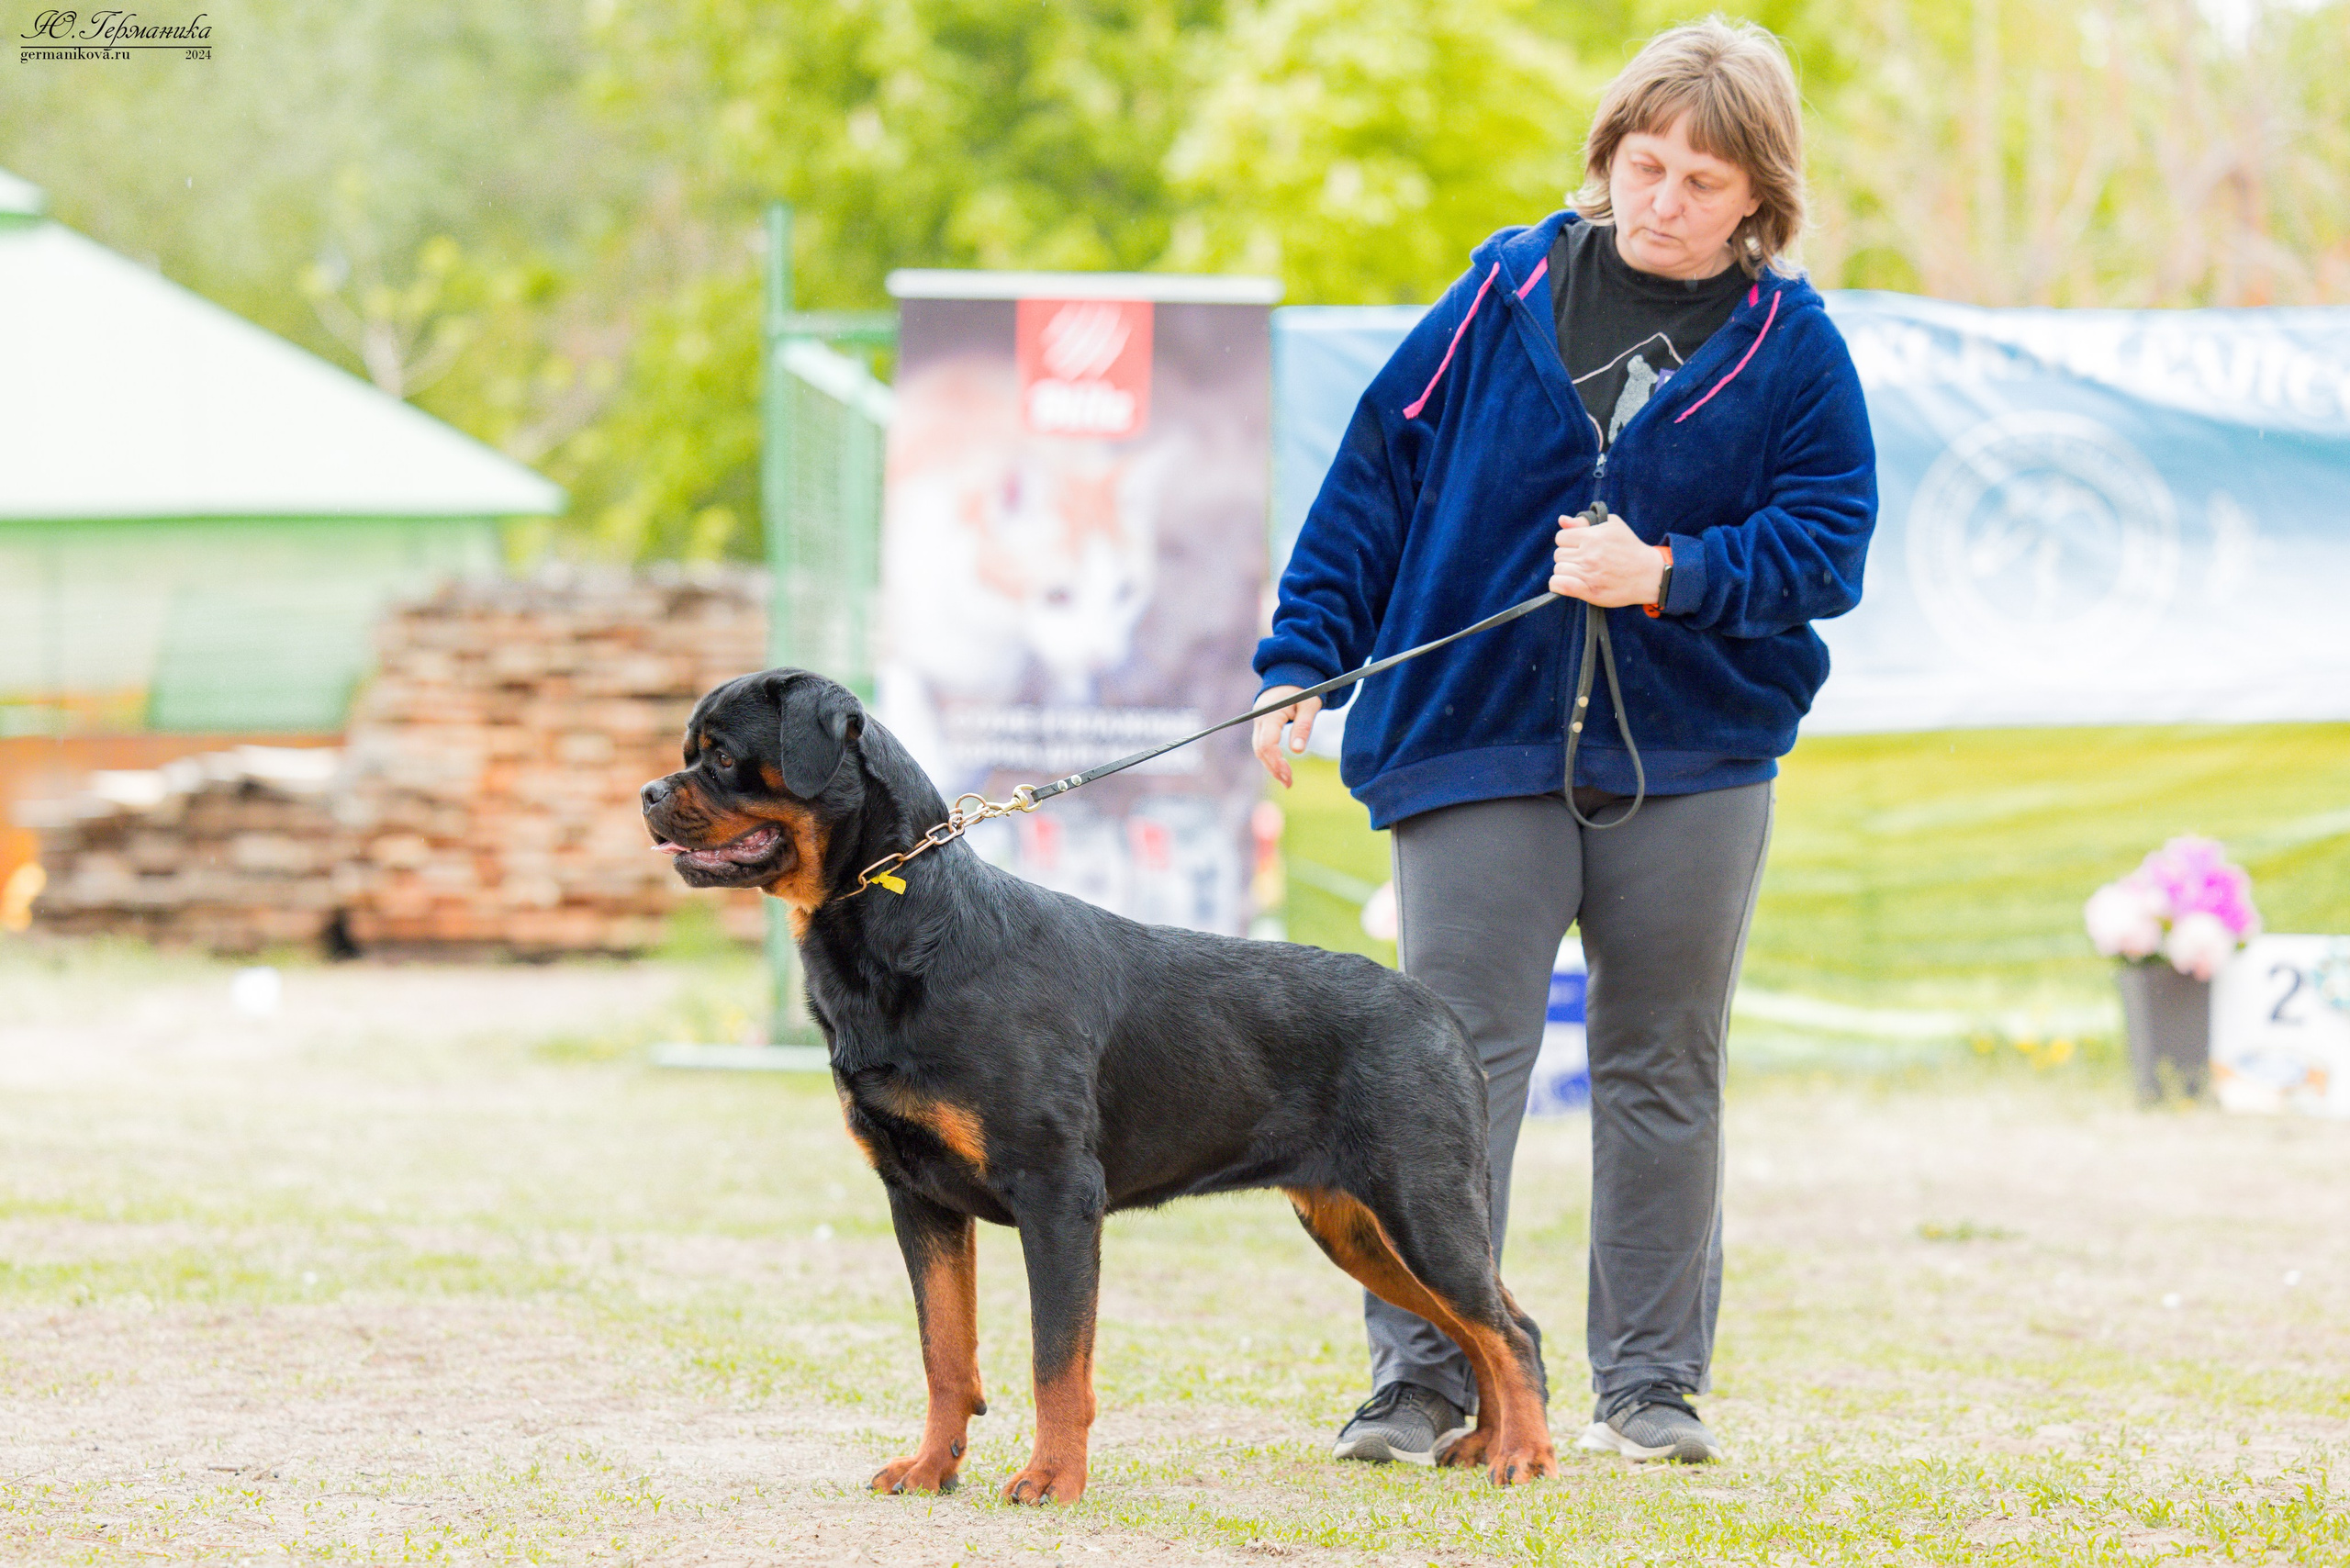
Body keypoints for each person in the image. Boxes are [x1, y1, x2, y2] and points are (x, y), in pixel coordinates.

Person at [1250, 17, 1876, 1467]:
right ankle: (1423, 1381)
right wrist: (1301, 663)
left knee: (1666, 1069)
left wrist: (1669, 573)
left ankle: (1651, 1389)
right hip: (1474, 746)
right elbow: (1373, 481)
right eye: (1644, 164)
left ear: (1758, 204)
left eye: (1702, 183)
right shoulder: (1501, 291)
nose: (1664, 199)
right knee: (1444, 1071)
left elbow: (1829, 545)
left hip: (1698, 763)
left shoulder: (1797, 354)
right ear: (1607, 158)